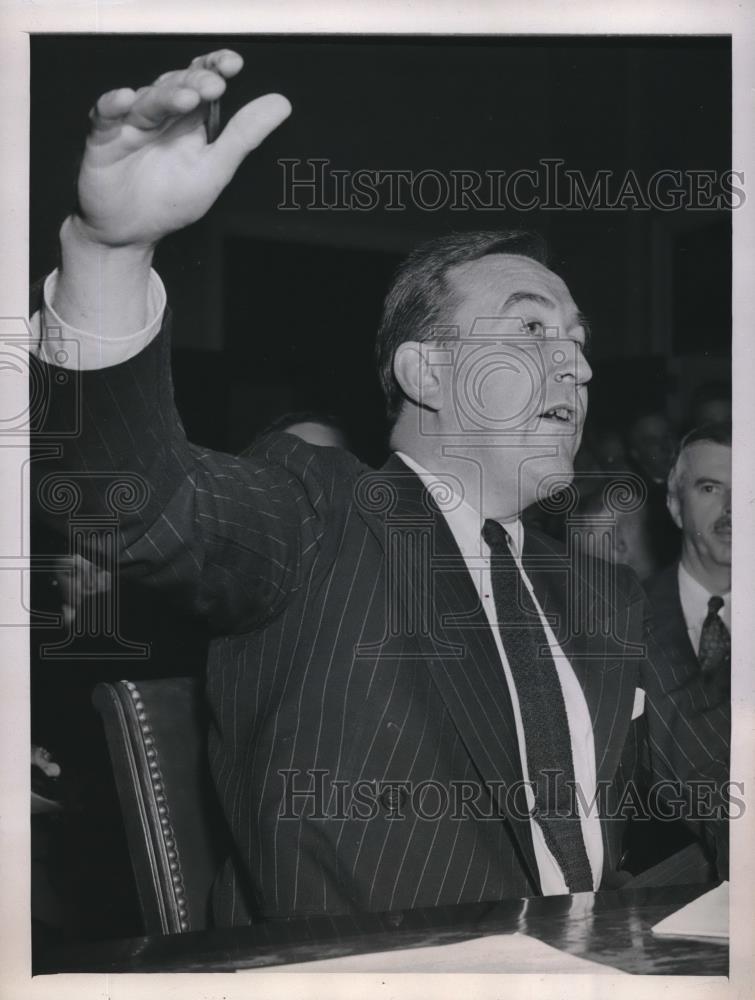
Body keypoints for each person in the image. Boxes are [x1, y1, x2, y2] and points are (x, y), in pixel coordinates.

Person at [31, 50, 729, 925]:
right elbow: (126, 499)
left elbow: (707, 785)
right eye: (530, 327)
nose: (579, 363)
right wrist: (109, 251)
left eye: (579, 336)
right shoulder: (316, 514)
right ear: (426, 372)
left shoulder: (599, 592)